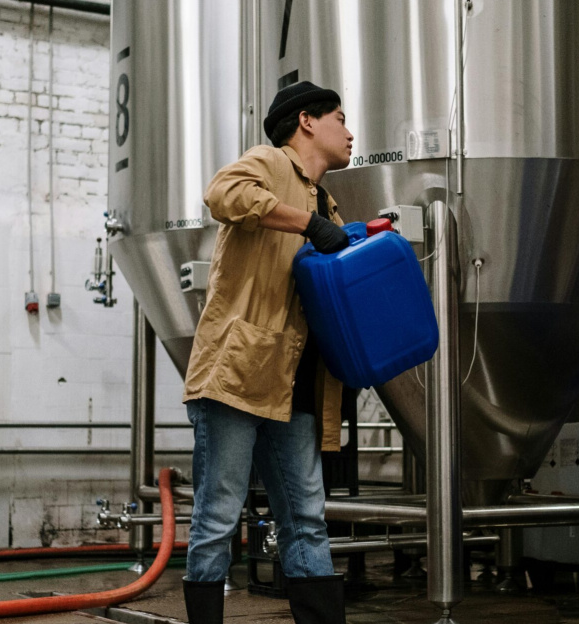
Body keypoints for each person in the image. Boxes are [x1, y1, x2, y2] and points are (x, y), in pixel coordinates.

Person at [181, 80, 354, 624]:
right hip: (237, 375)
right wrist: (309, 224)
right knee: (218, 517)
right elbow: (221, 193)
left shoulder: (327, 200)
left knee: (306, 516)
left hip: (295, 384)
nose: (350, 134)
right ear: (307, 121)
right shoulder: (269, 163)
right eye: (341, 119)